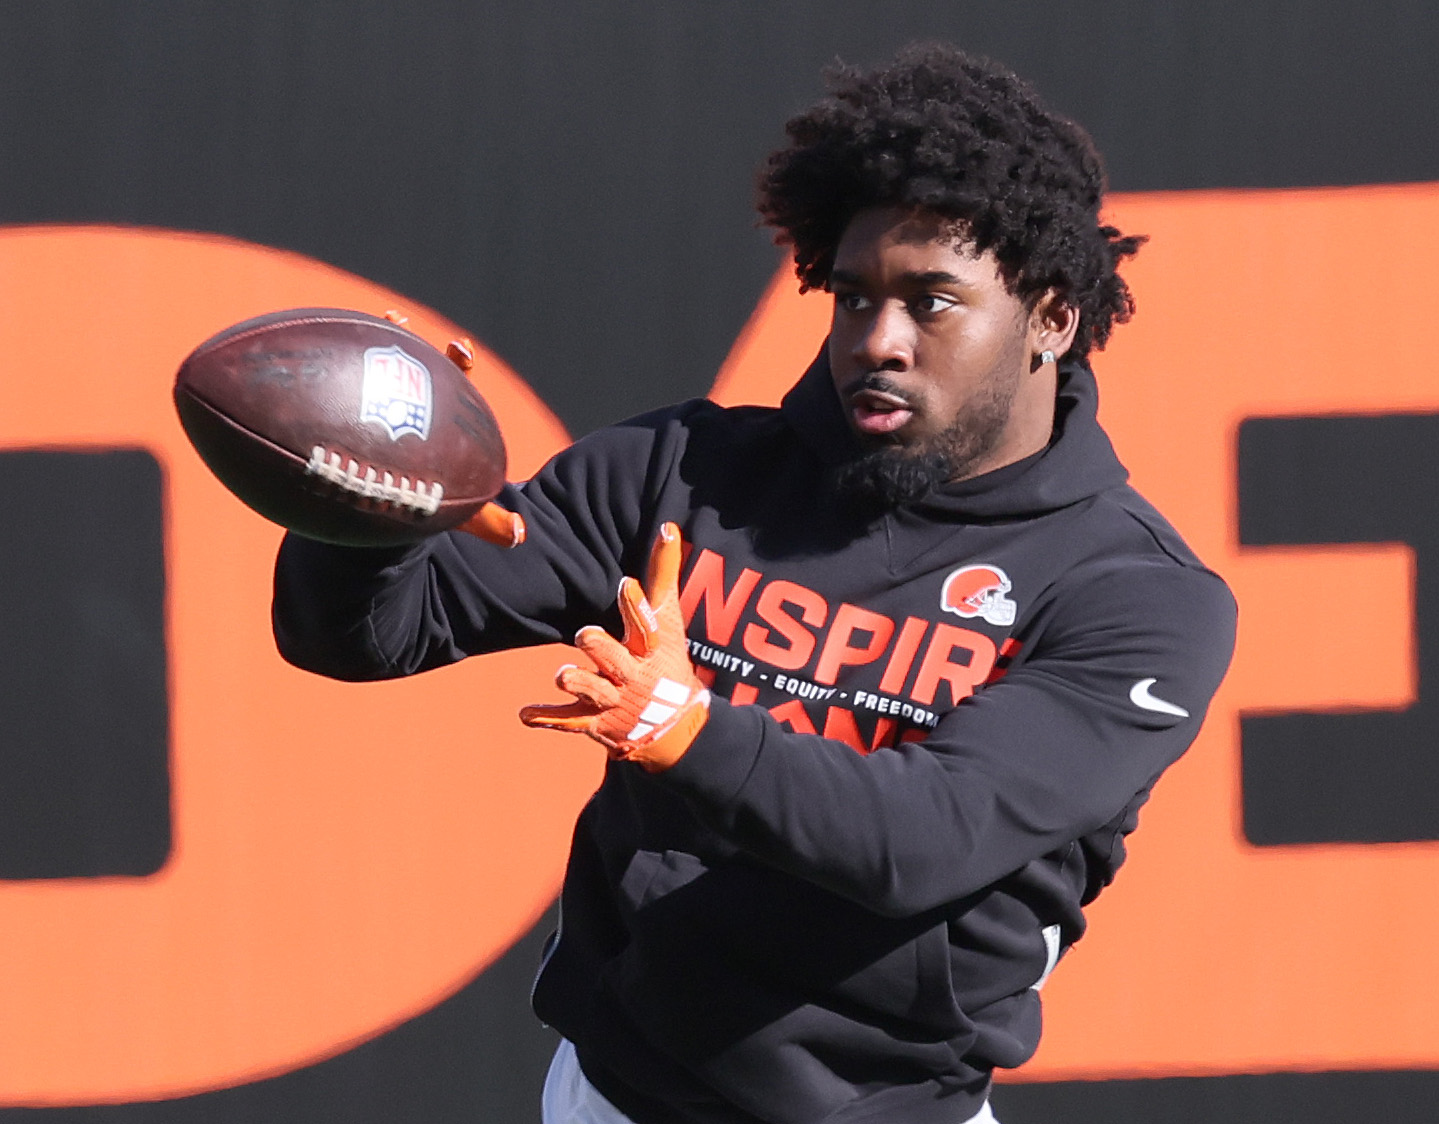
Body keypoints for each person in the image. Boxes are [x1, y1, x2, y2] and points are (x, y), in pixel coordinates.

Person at [273, 42, 1236, 1124]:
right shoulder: (684, 473)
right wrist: (365, 503)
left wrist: (687, 729)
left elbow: (924, 840)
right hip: (617, 1095)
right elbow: (368, 633)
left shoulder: (1138, 595)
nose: (877, 341)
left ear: (1049, 319)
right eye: (852, 298)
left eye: (931, 302)